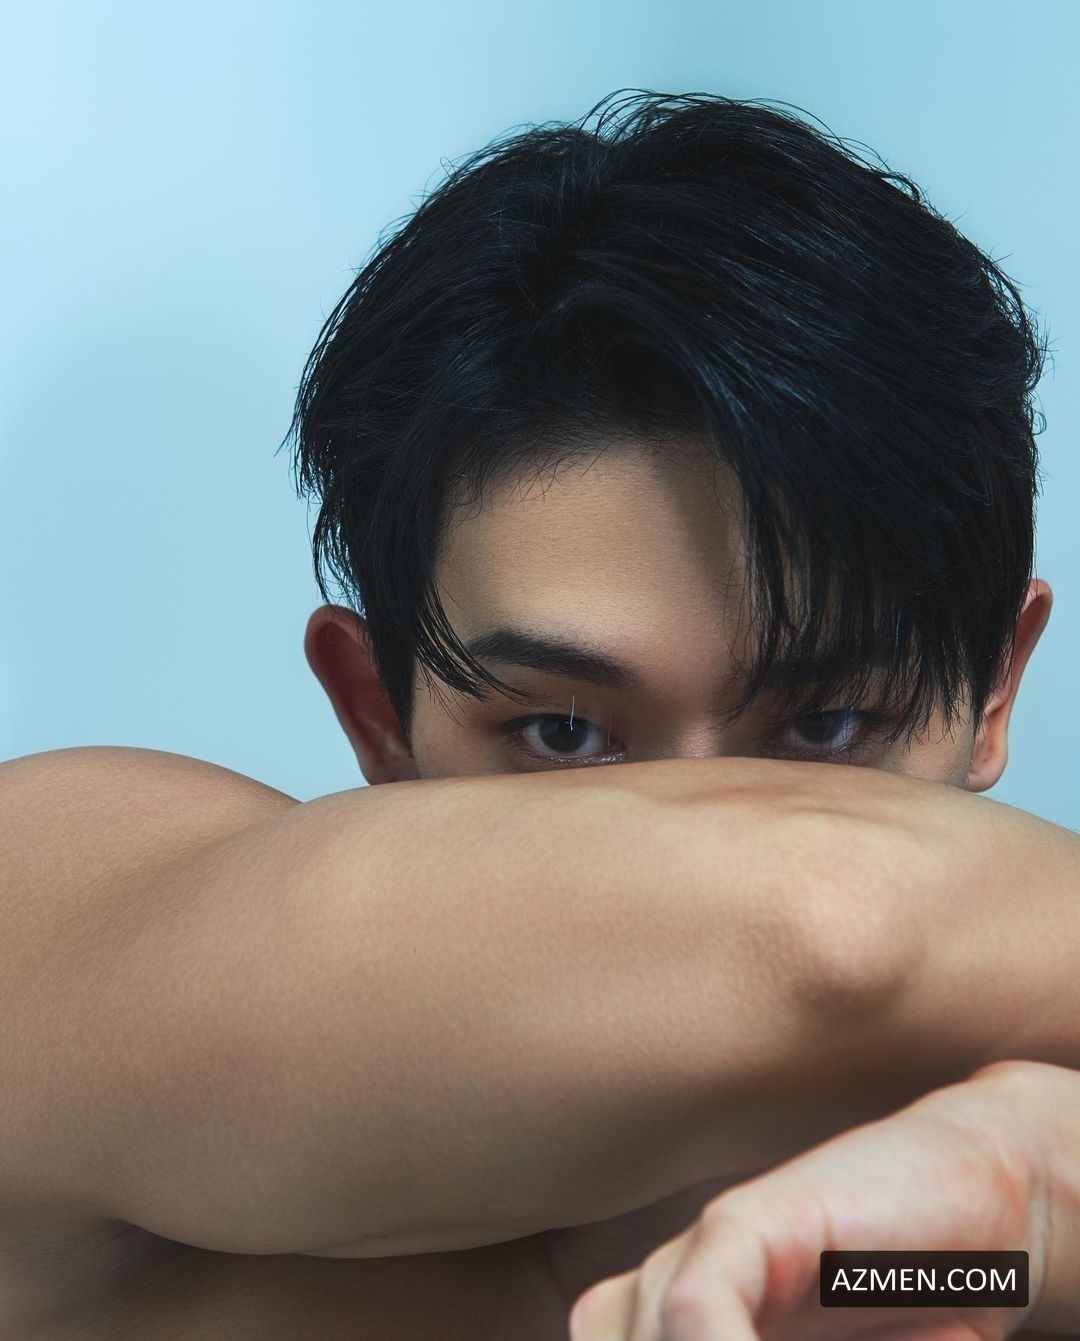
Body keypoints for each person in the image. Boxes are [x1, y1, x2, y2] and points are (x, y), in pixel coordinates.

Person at [2, 89, 1078, 1339]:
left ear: (993, 688)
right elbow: (821, 927)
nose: (692, 838)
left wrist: (1035, 1227)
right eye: (563, 734)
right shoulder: (66, 919)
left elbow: (925, 1266)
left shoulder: (977, 1196)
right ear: (376, 708)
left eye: (829, 723)